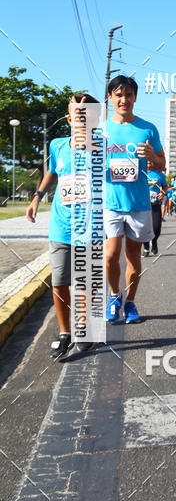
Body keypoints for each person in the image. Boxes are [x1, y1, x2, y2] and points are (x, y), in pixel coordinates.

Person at [26, 93, 100, 358]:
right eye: (76, 113)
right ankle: (64, 332)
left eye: (87, 113)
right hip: (60, 224)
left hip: (90, 225)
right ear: (69, 118)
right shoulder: (57, 145)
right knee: (59, 282)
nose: (81, 117)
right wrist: (36, 197)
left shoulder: (103, 146)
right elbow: (52, 172)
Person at [104, 75, 165, 324]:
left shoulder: (148, 128)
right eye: (118, 95)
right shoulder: (101, 130)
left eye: (128, 94)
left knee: (133, 258)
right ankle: (114, 295)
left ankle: (130, 303)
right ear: (110, 98)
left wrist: (152, 155)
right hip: (110, 202)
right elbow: (87, 164)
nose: (124, 99)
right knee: (110, 256)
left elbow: (162, 164)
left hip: (138, 204)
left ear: (135, 97)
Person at [143, 161, 167, 256]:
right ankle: (145, 248)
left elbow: (165, 186)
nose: (148, 165)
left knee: (157, 227)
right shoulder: (140, 173)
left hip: (155, 204)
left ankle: (154, 242)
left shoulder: (159, 174)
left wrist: (162, 193)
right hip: (143, 205)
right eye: (147, 163)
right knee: (144, 228)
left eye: (150, 163)